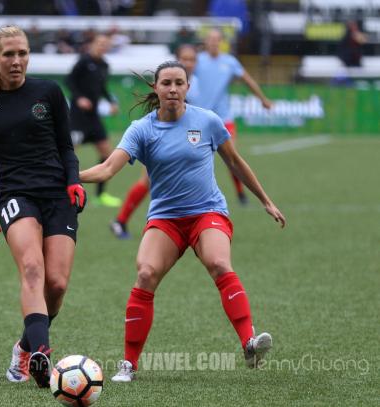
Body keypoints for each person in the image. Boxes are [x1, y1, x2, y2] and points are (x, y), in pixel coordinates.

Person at [79, 60, 286, 382]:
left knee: (219, 263)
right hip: (166, 219)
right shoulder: (142, 129)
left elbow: (235, 162)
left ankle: (249, 342)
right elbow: (107, 169)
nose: (173, 89)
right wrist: (68, 177)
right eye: (166, 83)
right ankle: (129, 365)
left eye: (179, 83)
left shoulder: (208, 121)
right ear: (156, 88)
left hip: (208, 213)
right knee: (146, 274)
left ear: (188, 87)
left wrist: (266, 200)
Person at [0, 26, 87, 388]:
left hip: (58, 194)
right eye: (9, 55)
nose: (16, 61)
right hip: (15, 196)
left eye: (22, 54)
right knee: (32, 268)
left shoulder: (48, 91)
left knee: (57, 284)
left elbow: (66, 146)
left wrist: (74, 180)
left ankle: (23, 347)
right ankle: (42, 353)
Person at [110, 44, 200, 239]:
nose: (189, 63)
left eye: (192, 59)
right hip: (163, 138)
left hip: (183, 138)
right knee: (147, 180)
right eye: (184, 59)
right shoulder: (169, 79)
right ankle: (121, 220)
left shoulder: (196, 84)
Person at [195, 28, 273, 205]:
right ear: (206, 42)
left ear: (222, 42)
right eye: (210, 39)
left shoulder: (229, 62)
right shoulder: (197, 61)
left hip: (223, 119)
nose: (214, 42)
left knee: (232, 157)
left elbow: (247, 80)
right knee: (196, 160)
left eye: (217, 39)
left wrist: (263, 99)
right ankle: (196, 196)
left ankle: (240, 193)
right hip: (200, 120)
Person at [66, 33, 122, 208]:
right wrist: (80, 98)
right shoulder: (83, 61)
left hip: (93, 118)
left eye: (106, 44)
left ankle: (101, 194)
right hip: (77, 117)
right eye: (99, 43)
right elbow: (69, 81)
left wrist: (112, 101)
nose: (102, 46)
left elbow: (102, 87)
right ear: (92, 44)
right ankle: (63, 188)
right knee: (69, 153)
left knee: (107, 152)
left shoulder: (104, 65)